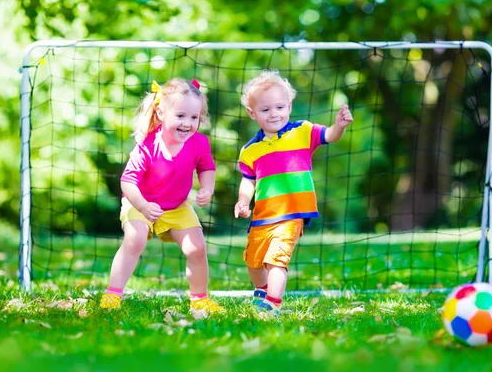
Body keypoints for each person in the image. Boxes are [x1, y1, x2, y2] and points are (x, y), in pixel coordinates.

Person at [234, 70, 353, 315]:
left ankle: (272, 304)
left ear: (289, 106)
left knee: (276, 259)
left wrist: (339, 125)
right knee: (253, 261)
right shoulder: (249, 150)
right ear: (252, 113)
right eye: (265, 109)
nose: (274, 113)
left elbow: (330, 135)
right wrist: (243, 201)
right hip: (262, 216)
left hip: (291, 214)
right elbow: (248, 180)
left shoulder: (303, 132)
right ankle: (262, 291)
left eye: (279, 106)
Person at [100, 78, 223, 316]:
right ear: (162, 112)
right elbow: (127, 181)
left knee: (197, 248)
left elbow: (206, 168)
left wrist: (207, 188)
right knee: (134, 240)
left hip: (177, 206)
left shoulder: (199, 143)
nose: (188, 123)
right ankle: (112, 295)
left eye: (194, 117)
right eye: (181, 116)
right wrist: (143, 206)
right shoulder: (147, 144)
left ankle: (200, 299)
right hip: (141, 202)